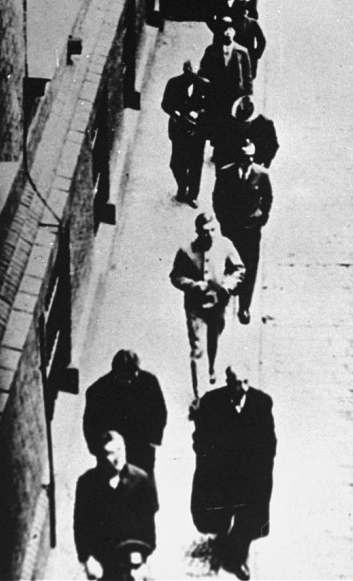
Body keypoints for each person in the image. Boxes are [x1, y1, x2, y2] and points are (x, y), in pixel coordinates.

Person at [191, 359, 276, 581]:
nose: (244, 387)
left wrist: (263, 472)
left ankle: (237, 560)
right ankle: (221, 538)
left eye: (246, 381)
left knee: (247, 522)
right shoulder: (212, 402)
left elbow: (269, 442)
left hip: (249, 477)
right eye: (239, 382)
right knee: (219, 516)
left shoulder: (261, 402)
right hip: (222, 476)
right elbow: (199, 438)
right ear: (229, 383)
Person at [170, 212, 245, 404]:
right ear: (197, 232)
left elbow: (239, 269)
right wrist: (195, 286)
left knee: (215, 339)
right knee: (197, 349)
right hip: (196, 307)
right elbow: (176, 276)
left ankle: (212, 368)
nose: (210, 235)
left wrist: (227, 286)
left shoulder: (225, 245)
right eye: (205, 232)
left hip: (218, 305)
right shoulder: (186, 251)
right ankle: (200, 395)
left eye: (213, 230)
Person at [74, 431, 158, 581]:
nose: (118, 457)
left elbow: (148, 524)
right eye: (111, 453)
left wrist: (144, 556)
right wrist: (87, 559)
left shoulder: (140, 480)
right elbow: (81, 526)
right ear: (100, 457)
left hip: (133, 558)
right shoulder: (87, 484)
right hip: (103, 561)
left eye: (120, 449)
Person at [83, 352, 168, 481]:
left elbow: (159, 411)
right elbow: (90, 424)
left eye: (134, 374)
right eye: (126, 377)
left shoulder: (148, 381)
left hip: (141, 447)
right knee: (115, 491)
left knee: (144, 487)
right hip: (114, 452)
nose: (130, 380)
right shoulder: (98, 391)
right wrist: (100, 451)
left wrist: (153, 438)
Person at [213, 139, 272, 323]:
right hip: (231, 231)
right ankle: (227, 294)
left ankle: (244, 307)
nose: (248, 160)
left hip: (251, 231)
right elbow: (217, 199)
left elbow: (268, 198)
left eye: (251, 157)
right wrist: (224, 221)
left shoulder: (261, 175)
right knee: (231, 265)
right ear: (238, 157)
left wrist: (261, 218)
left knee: (249, 268)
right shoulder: (225, 173)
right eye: (245, 157)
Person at [161, 60, 209, 207]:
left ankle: (192, 195)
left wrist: (200, 113)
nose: (193, 76)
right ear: (185, 70)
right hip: (179, 131)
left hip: (197, 132)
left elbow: (211, 106)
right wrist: (177, 115)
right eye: (190, 73)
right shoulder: (174, 83)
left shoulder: (204, 86)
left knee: (195, 166)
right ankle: (182, 187)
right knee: (176, 164)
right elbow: (165, 104)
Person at [199, 19, 253, 145]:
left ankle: (228, 148)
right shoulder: (212, 50)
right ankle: (218, 147)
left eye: (230, 29)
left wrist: (248, 97)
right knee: (217, 123)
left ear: (234, 31)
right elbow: (203, 71)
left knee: (233, 123)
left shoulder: (242, 52)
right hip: (216, 95)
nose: (227, 33)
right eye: (224, 29)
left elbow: (247, 77)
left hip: (235, 95)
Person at [230, 0, 267, 81]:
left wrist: (256, 54)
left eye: (245, 8)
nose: (244, 11)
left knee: (247, 82)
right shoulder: (231, 23)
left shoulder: (252, 23)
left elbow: (262, 41)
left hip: (249, 58)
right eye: (241, 8)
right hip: (234, 58)